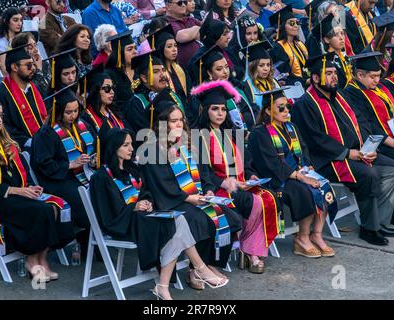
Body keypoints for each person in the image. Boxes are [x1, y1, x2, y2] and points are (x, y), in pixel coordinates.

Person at [90, 128, 228, 299]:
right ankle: (200, 269)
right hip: (124, 224)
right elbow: (108, 214)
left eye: (131, 144)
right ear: (113, 147)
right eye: (125, 145)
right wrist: (133, 207)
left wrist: (147, 202)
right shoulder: (101, 177)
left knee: (178, 220)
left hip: (143, 218)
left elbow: (146, 192)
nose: (131, 149)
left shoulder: (132, 168)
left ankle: (163, 286)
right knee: (176, 225)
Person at [292, 53, 394, 245]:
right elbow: (315, 140)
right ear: (316, 78)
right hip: (327, 160)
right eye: (328, 73)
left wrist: (369, 146)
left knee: (393, 169)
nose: (334, 76)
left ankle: (381, 221)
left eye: (335, 72)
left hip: (355, 152)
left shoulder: (340, 96)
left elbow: (360, 122)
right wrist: (346, 153)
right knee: (368, 175)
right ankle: (369, 229)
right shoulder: (305, 104)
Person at [0, 88, 74, 281]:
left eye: (1, 116)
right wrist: (17, 191)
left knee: (55, 204)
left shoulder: (7, 141)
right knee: (41, 210)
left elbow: (23, 171)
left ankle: (42, 258)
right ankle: (32, 260)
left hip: (20, 193)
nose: (0, 120)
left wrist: (31, 187)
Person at [140, 102, 240, 290]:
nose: (178, 124)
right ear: (163, 123)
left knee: (226, 216)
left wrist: (209, 189)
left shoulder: (189, 143)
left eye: (181, 120)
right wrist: (188, 198)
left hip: (196, 197)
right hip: (172, 202)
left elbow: (205, 172)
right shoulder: (152, 149)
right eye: (173, 121)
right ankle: (195, 270)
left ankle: (206, 265)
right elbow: (160, 184)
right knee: (200, 220)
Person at [193, 81, 281, 273]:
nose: (219, 113)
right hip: (218, 188)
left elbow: (247, 163)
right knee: (253, 202)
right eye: (214, 109)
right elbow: (202, 172)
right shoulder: (199, 136)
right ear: (205, 110)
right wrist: (224, 182)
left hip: (240, 183)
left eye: (223, 109)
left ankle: (248, 248)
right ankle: (250, 251)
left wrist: (252, 175)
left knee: (268, 196)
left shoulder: (232, 134)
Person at [248, 87, 339, 257]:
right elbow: (270, 164)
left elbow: (304, 151)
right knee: (305, 191)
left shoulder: (291, 127)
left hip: (299, 172)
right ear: (268, 110)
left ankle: (316, 235)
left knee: (324, 186)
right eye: (280, 107)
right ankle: (302, 238)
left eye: (287, 107)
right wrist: (300, 177)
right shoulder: (259, 133)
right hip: (276, 179)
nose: (286, 111)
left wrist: (308, 166)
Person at [344, 51, 394, 228]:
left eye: (378, 76)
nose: (377, 80)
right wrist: (392, 142)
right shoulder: (352, 93)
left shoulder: (381, 88)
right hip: (377, 143)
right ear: (360, 75)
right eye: (373, 77)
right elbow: (366, 125)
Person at [31, 86, 94, 230]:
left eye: (76, 111)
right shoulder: (46, 134)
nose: (73, 115)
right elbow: (44, 164)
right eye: (68, 112)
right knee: (82, 198)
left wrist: (94, 158)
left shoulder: (82, 125)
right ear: (58, 111)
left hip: (84, 172)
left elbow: (95, 145)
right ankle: (86, 238)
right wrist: (70, 164)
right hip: (60, 179)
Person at [0, 45, 48, 150]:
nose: (33, 68)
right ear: (15, 67)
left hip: (44, 138)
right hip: (22, 146)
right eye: (28, 65)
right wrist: (29, 142)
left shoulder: (34, 87)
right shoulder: (1, 93)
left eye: (33, 64)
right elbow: (5, 125)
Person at [192, 47, 257, 131]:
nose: (225, 72)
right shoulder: (205, 96)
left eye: (226, 67)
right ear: (209, 73)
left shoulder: (236, 88)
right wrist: (243, 136)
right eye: (219, 69)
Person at [123, 51, 184, 133]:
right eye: (156, 71)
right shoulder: (137, 102)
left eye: (163, 70)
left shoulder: (173, 96)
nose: (162, 75)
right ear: (144, 78)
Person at [147, 24, 191, 102]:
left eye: (175, 45)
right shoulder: (159, 73)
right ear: (161, 48)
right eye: (169, 46)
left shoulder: (180, 67)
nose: (174, 49)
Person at [188, 10, 232, 86]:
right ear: (215, 36)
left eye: (228, 33)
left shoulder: (224, 51)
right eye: (224, 34)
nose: (228, 37)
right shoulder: (200, 57)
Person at [82, 72, 129, 140]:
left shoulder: (114, 111)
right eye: (107, 88)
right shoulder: (87, 117)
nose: (112, 92)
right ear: (96, 90)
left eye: (112, 88)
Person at [310, 13, 353, 89]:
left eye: (342, 33)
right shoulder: (326, 61)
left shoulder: (345, 57)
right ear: (327, 39)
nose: (341, 38)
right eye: (336, 35)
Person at [269, 5, 309, 86]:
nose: (296, 26)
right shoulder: (278, 47)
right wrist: (305, 82)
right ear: (283, 26)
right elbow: (284, 74)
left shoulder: (300, 44)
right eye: (291, 23)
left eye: (297, 23)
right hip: (292, 87)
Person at [11, 32, 51, 97]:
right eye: (30, 47)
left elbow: (51, 88)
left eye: (35, 45)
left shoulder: (44, 64)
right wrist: (39, 70)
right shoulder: (22, 70)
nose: (36, 50)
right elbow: (39, 93)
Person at [105, 30, 137, 109]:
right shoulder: (110, 76)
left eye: (135, 48)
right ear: (119, 53)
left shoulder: (140, 68)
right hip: (127, 117)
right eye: (130, 49)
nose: (135, 52)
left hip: (149, 112)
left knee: (163, 118)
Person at [165, 0, 202, 68]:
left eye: (185, 2)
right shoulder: (165, 22)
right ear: (168, 6)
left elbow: (206, 31)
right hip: (180, 69)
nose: (183, 5)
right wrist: (197, 28)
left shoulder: (191, 19)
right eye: (180, 3)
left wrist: (191, 33)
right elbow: (181, 37)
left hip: (201, 65)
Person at [243, 40, 279, 108]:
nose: (266, 69)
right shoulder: (246, 87)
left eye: (268, 65)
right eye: (261, 65)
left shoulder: (273, 81)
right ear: (253, 67)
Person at [225, 14, 262, 81]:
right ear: (241, 34)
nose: (253, 38)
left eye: (255, 33)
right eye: (248, 34)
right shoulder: (230, 52)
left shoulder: (258, 47)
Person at [0, 8, 23, 76]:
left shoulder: (22, 39)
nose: (19, 23)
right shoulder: (1, 43)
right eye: (15, 20)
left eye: (21, 20)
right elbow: (3, 70)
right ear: (5, 21)